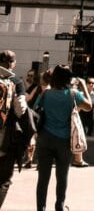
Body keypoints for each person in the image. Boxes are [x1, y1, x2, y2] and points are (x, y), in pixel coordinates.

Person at [34, 63, 90, 211]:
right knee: (62, 176)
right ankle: (59, 206)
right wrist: (84, 86)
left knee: (43, 178)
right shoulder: (73, 94)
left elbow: (36, 111)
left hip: (45, 139)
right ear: (68, 78)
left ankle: (41, 208)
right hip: (64, 141)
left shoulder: (46, 94)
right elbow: (89, 106)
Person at [0, 49, 28, 207]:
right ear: (13, 63)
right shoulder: (16, 81)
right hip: (5, 136)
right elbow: (20, 109)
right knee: (3, 179)